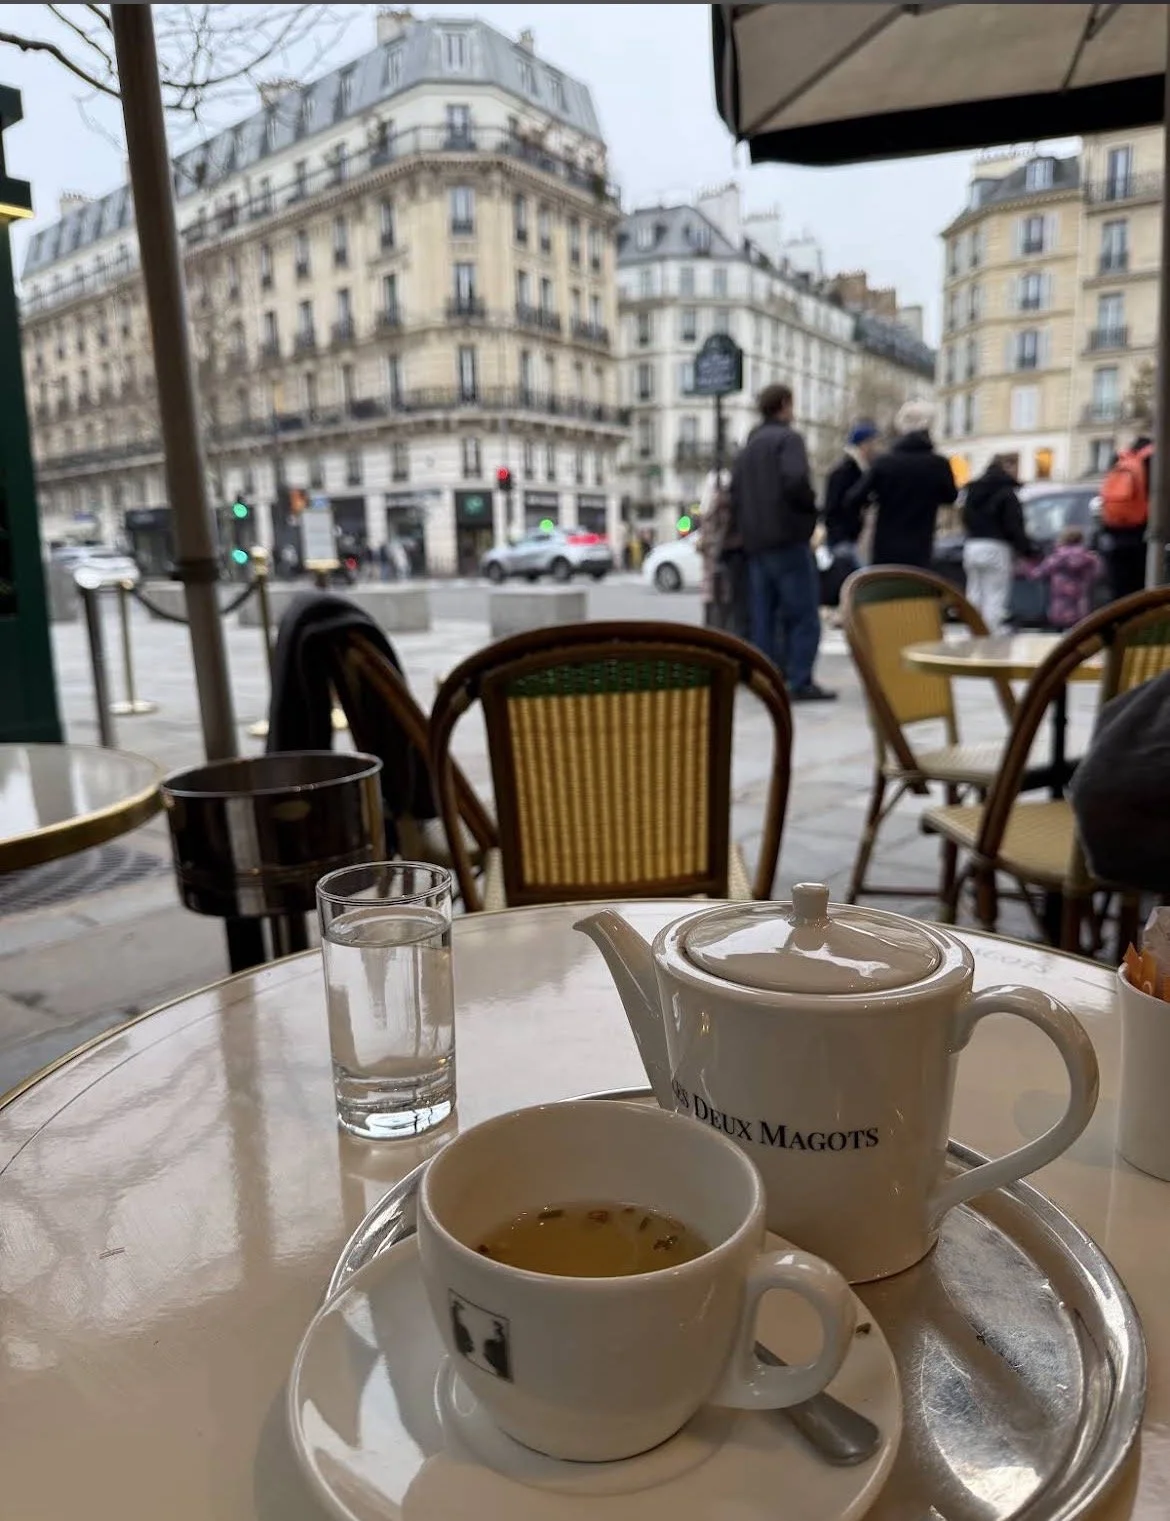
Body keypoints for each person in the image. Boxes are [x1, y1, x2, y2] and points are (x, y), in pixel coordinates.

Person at [729, 382, 833, 701]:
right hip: (787, 539)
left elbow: (735, 496)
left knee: (765, 616)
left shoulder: (747, 450)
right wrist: (810, 512)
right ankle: (800, 680)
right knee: (803, 616)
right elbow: (796, 481)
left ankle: (769, 677)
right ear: (785, 405)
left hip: (756, 545)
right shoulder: (788, 440)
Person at [843, 399, 957, 568]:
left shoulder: (884, 462)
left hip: (885, 548)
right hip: (921, 547)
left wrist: (873, 504)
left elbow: (853, 498)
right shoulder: (938, 464)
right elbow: (951, 496)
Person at [960, 455, 1032, 633]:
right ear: (1006, 467)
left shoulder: (973, 490)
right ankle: (988, 633)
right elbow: (1013, 524)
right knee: (995, 594)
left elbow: (965, 517)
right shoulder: (1007, 492)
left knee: (974, 591)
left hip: (973, 545)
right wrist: (1026, 548)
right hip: (997, 547)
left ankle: (972, 630)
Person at [1099, 435, 1153, 600]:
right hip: (1141, 534)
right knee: (1139, 592)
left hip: (1114, 533)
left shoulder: (1119, 460)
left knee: (1119, 593)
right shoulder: (1152, 459)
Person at [1026, 526, 1103, 631]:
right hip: (1080, 606)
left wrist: (1027, 566)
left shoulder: (1057, 557)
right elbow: (1097, 574)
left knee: (1060, 633)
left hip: (1060, 606)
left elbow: (1038, 573)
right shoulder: (1090, 558)